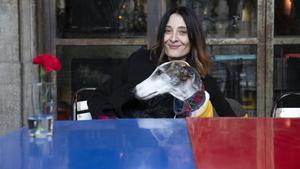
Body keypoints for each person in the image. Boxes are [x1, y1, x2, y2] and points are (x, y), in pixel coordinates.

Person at [88, 6, 236, 119]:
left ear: (193, 38)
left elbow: (233, 123)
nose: (173, 38)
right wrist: (114, 128)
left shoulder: (202, 82)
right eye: (168, 31)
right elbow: (99, 97)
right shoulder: (140, 60)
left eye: (182, 32)